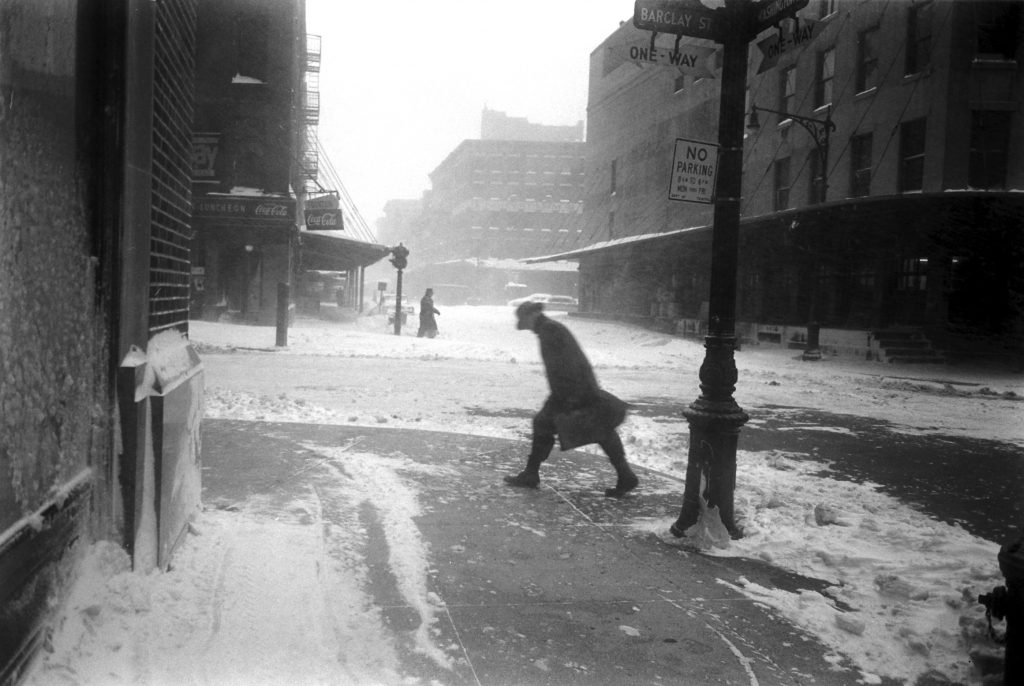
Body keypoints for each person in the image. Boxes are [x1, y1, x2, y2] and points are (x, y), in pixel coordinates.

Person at [504, 301, 638, 497]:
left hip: (573, 390)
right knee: (599, 430)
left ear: (533, 315)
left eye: (525, 320)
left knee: (592, 429)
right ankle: (625, 475)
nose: (527, 326)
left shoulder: (550, 331)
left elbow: (566, 364)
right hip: (574, 389)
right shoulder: (549, 330)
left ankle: (531, 474)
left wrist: (568, 398)